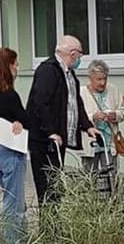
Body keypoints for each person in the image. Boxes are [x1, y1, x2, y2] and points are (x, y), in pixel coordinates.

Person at [26, 35, 98, 204]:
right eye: (80, 55)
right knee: (47, 188)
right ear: (73, 54)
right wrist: (51, 131)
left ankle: (56, 227)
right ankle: (49, 228)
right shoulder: (48, 70)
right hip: (44, 140)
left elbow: (74, 102)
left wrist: (87, 126)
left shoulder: (69, 74)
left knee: (56, 186)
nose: (80, 59)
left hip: (58, 140)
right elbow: (40, 103)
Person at [0, 48, 30, 244]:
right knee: (14, 201)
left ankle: (16, 239)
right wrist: (22, 121)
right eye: (16, 64)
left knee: (8, 195)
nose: (17, 68)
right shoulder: (10, 95)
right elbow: (25, 118)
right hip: (12, 149)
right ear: (9, 67)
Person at [79, 59, 124, 173]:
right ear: (90, 78)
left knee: (111, 176)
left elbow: (123, 112)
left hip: (110, 143)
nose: (102, 83)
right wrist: (93, 117)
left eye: (105, 78)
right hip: (90, 144)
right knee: (90, 177)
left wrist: (115, 115)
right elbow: (76, 118)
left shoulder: (113, 90)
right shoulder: (81, 93)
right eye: (99, 79)